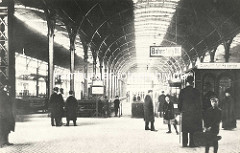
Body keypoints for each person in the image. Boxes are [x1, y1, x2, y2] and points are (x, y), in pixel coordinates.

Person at [178, 76, 202, 147]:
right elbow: (199, 103)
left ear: (186, 82)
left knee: (185, 129)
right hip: (194, 113)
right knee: (193, 129)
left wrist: (181, 110)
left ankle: (184, 143)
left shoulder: (182, 91)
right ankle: (192, 143)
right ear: (193, 82)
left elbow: (179, 103)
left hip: (185, 113)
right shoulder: (196, 91)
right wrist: (198, 111)